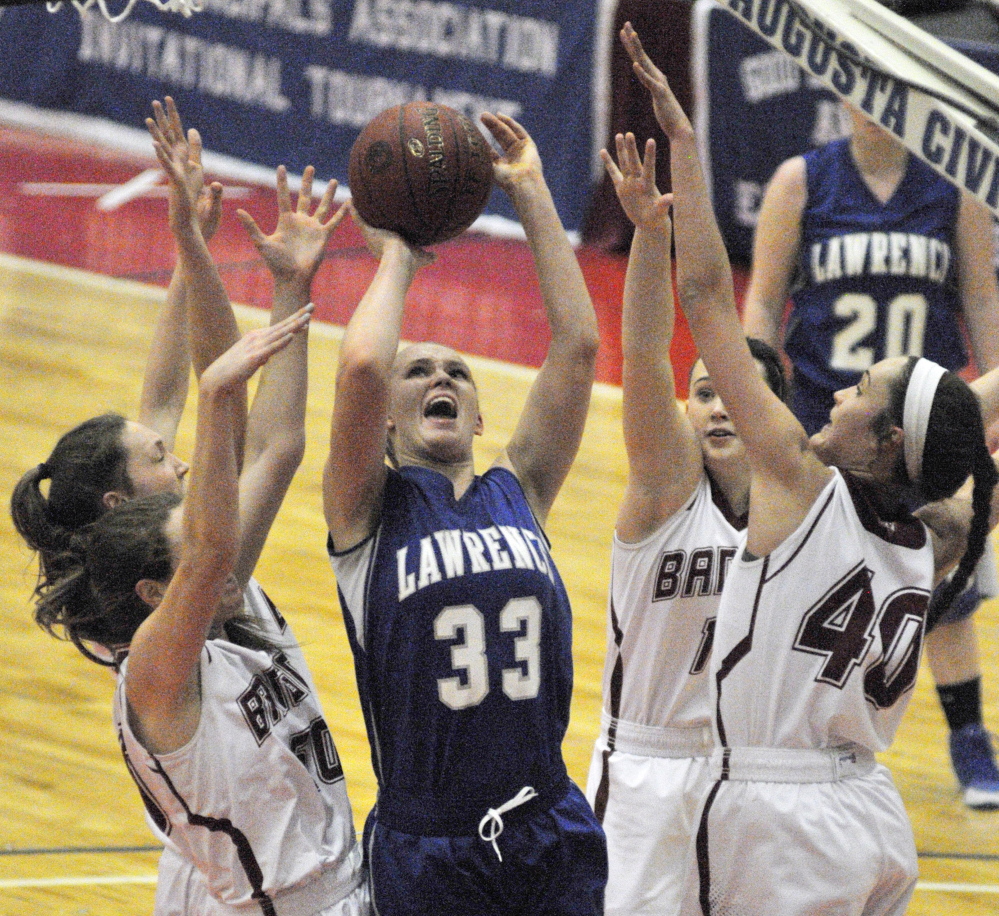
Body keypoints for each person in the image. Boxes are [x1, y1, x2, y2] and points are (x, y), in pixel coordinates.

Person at [621, 21, 998, 915]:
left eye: (860, 388)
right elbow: (961, 417)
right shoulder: (934, 530)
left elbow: (708, 296)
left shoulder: (795, 484)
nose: (833, 393)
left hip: (773, 813)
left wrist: (684, 145)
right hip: (869, 811)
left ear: (885, 440)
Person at [11, 98, 363, 914]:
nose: (183, 462)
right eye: (162, 461)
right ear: (120, 503)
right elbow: (236, 428)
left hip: (271, 857)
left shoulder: (156, 550)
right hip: (246, 880)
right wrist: (244, 301)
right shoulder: (171, 606)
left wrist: (190, 247)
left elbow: (201, 407)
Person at [323, 112, 607, 914]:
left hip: (548, 821)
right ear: (383, 415)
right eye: (417, 373)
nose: (438, 377)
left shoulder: (519, 485)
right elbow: (363, 362)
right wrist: (398, 261)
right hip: (430, 843)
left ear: (480, 417)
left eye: (456, 373)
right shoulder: (365, 514)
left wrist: (530, 192)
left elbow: (577, 345)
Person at [742, 103, 999, 809]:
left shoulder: (955, 187)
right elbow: (762, 300)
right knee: (801, 583)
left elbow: (980, 294)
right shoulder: (800, 180)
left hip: (923, 418)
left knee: (947, 590)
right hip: (829, 414)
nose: (874, 107)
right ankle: (781, 723)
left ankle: (968, 739)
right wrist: (753, 384)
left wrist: (988, 401)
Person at [584, 129, 787, 915]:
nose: (714, 406)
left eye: (728, 390)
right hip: (645, 767)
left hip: (747, 775)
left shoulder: (798, 509)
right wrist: (647, 237)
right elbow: (640, 354)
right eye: (701, 392)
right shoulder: (668, 490)